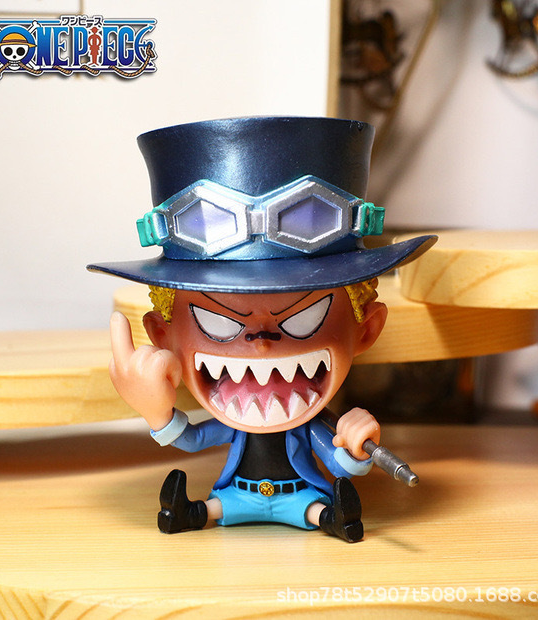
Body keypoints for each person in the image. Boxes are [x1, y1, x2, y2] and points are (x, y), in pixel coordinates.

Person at [88, 116, 436, 542]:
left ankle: (332, 519)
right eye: (218, 321)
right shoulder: (234, 407)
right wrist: (155, 411)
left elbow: (339, 462)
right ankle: (190, 513)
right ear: (163, 335)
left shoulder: (313, 424)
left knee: (313, 510)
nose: (260, 340)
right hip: (237, 498)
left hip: (299, 499)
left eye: (304, 318)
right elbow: (192, 438)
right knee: (217, 508)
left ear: (365, 330)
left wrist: (354, 444)